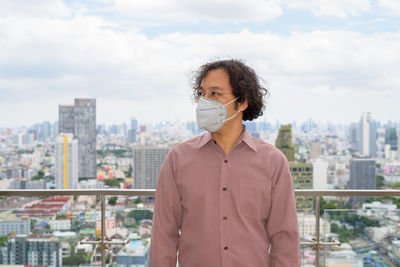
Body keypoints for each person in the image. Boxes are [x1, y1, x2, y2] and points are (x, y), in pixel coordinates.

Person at [150, 59, 300, 267]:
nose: (205, 102)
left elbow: (285, 238)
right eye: (202, 94)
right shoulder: (178, 159)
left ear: (242, 101)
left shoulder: (272, 161)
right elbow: (164, 235)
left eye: (215, 93)